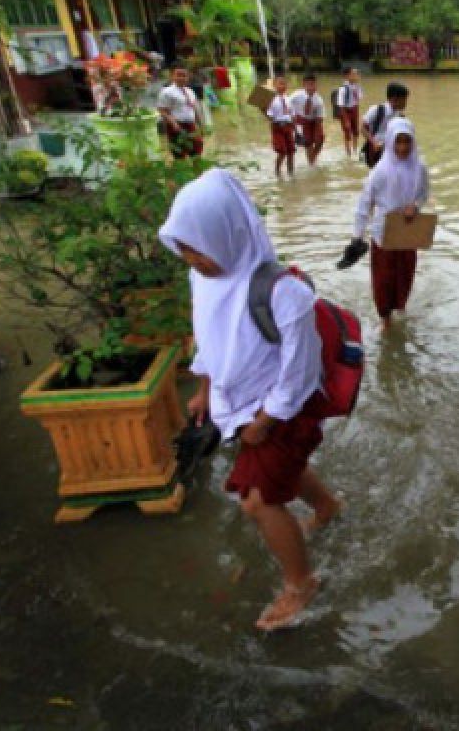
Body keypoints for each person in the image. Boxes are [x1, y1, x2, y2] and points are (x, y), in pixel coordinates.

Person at [158, 168, 342, 632]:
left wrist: (266, 417)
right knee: (281, 475)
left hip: (284, 412)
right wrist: (204, 390)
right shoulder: (205, 279)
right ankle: (327, 508)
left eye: (197, 247)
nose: (191, 259)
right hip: (240, 409)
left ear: (227, 233)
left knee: (257, 503)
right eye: (183, 248)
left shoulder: (285, 294)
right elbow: (211, 340)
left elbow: (300, 370)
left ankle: (301, 583)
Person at [351, 117, 428, 331]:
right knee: (383, 279)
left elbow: (424, 194)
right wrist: (356, 236)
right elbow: (364, 205)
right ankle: (384, 317)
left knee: (405, 274)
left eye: (407, 142)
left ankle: (399, 306)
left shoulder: (420, 168)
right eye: (398, 142)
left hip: (407, 231)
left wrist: (416, 206)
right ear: (391, 142)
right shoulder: (379, 172)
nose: (403, 147)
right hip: (383, 234)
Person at [156, 65, 204, 159]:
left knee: (197, 150)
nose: (181, 78)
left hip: (191, 125)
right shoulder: (166, 92)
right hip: (176, 126)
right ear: (173, 76)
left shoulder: (190, 91)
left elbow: (194, 108)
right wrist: (173, 123)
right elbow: (162, 110)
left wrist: (201, 124)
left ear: (188, 77)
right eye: (178, 75)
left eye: (184, 75)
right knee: (179, 153)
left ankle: (197, 172)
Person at [360, 82, 409, 168]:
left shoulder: (400, 115)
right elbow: (363, 129)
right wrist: (374, 143)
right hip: (375, 150)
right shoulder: (377, 110)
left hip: (391, 150)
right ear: (394, 99)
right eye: (404, 99)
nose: (405, 103)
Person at [289, 73, 326, 166]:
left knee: (320, 139)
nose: (311, 87)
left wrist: (318, 132)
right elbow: (286, 104)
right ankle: (311, 163)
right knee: (308, 142)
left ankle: (313, 158)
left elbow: (320, 118)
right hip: (300, 120)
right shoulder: (296, 95)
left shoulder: (319, 100)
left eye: (313, 84)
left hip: (314, 120)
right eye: (309, 84)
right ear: (304, 85)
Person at [266, 75, 296, 178]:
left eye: (284, 84)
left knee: (291, 151)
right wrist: (273, 122)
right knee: (282, 152)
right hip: (278, 126)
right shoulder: (272, 99)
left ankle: (291, 173)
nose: (283, 86)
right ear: (275, 85)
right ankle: (277, 172)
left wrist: (295, 128)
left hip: (288, 126)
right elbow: (269, 115)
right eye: (280, 83)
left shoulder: (288, 99)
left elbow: (293, 114)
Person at [335, 67, 364, 159]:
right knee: (347, 131)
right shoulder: (343, 89)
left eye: (356, 74)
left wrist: (356, 91)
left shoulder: (357, 86)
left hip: (355, 109)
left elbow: (360, 98)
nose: (356, 76)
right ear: (346, 76)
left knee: (356, 131)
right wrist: (346, 119)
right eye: (353, 74)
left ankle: (355, 151)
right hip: (345, 111)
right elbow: (341, 105)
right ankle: (348, 153)